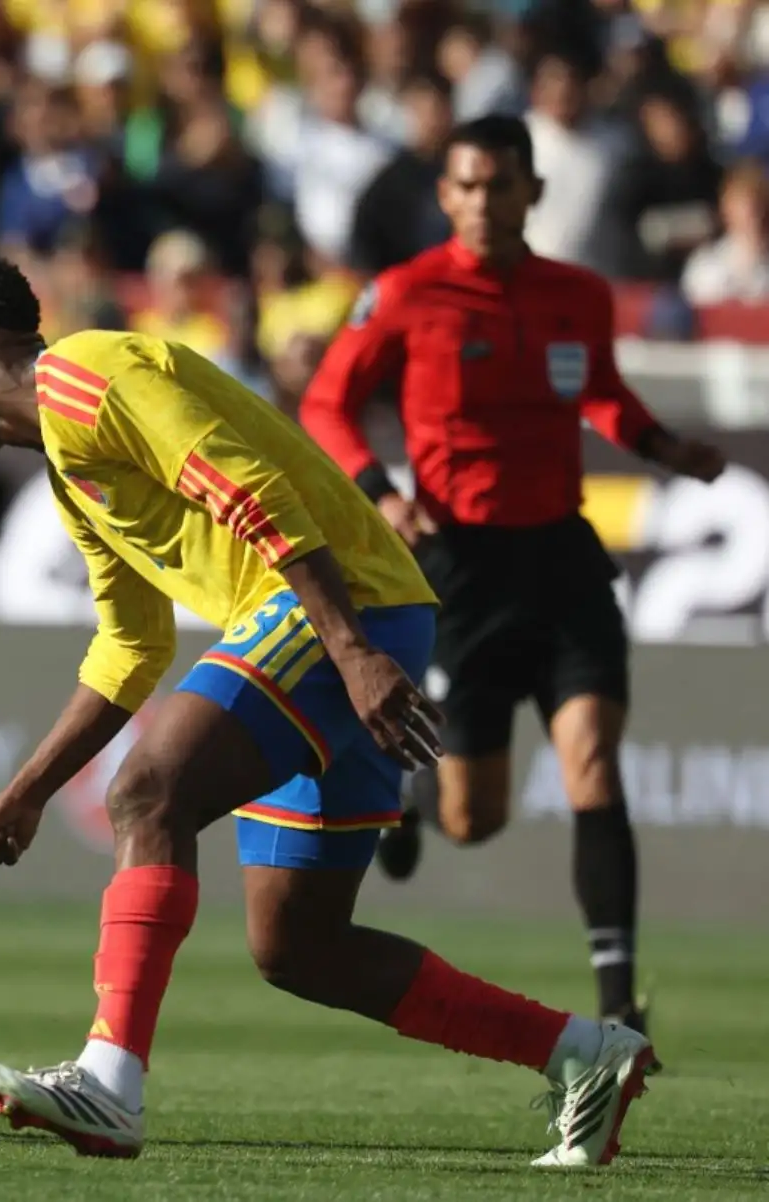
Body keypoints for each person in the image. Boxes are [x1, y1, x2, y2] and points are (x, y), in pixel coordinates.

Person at [0, 251, 657, 1168]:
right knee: (299, 945)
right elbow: (130, 646)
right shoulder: (68, 463)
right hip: (356, 619)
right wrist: (26, 789)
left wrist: (351, 650)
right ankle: (583, 1053)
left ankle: (108, 1081)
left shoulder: (92, 377)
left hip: (335, 611)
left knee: (148, 791)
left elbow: (251, 485)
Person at [300, 115, 725, 1041]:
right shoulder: (407, 294)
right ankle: (413, 804)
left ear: (533, 191)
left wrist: (661, 445)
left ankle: (618, 1005)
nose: (484, 202)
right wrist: (382, 492)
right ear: (446, 196)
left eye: (502, 185)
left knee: (595, 762)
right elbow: (328, 402)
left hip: (562, 558)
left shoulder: (576, 293)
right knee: (476, 816)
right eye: (467, 186)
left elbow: (602, 392)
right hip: (463, 568)